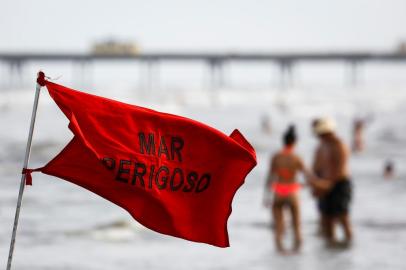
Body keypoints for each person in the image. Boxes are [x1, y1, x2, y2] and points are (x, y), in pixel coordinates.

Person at [264, 125, 312, 253]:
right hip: (292, 192)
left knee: (279, 227)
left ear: (283, 141)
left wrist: (266, 197)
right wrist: (304, 185)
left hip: (279, 192)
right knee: (297, 227)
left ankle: (280, 254)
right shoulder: (297, 158)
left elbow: (270, 178)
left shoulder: (276, 157)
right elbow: (308, 176)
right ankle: (296, 255)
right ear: (295, 142)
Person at [311, 118, 353, 247]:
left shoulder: (339, 145)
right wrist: (317, 184)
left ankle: (349, 244)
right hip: (324, 185)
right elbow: (316, 167)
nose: (320, 136)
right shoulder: (321, 146)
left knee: (342, 217)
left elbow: (340, 170)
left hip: (339, 185)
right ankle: (331, 248)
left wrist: (325, 185)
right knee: (326, 219)